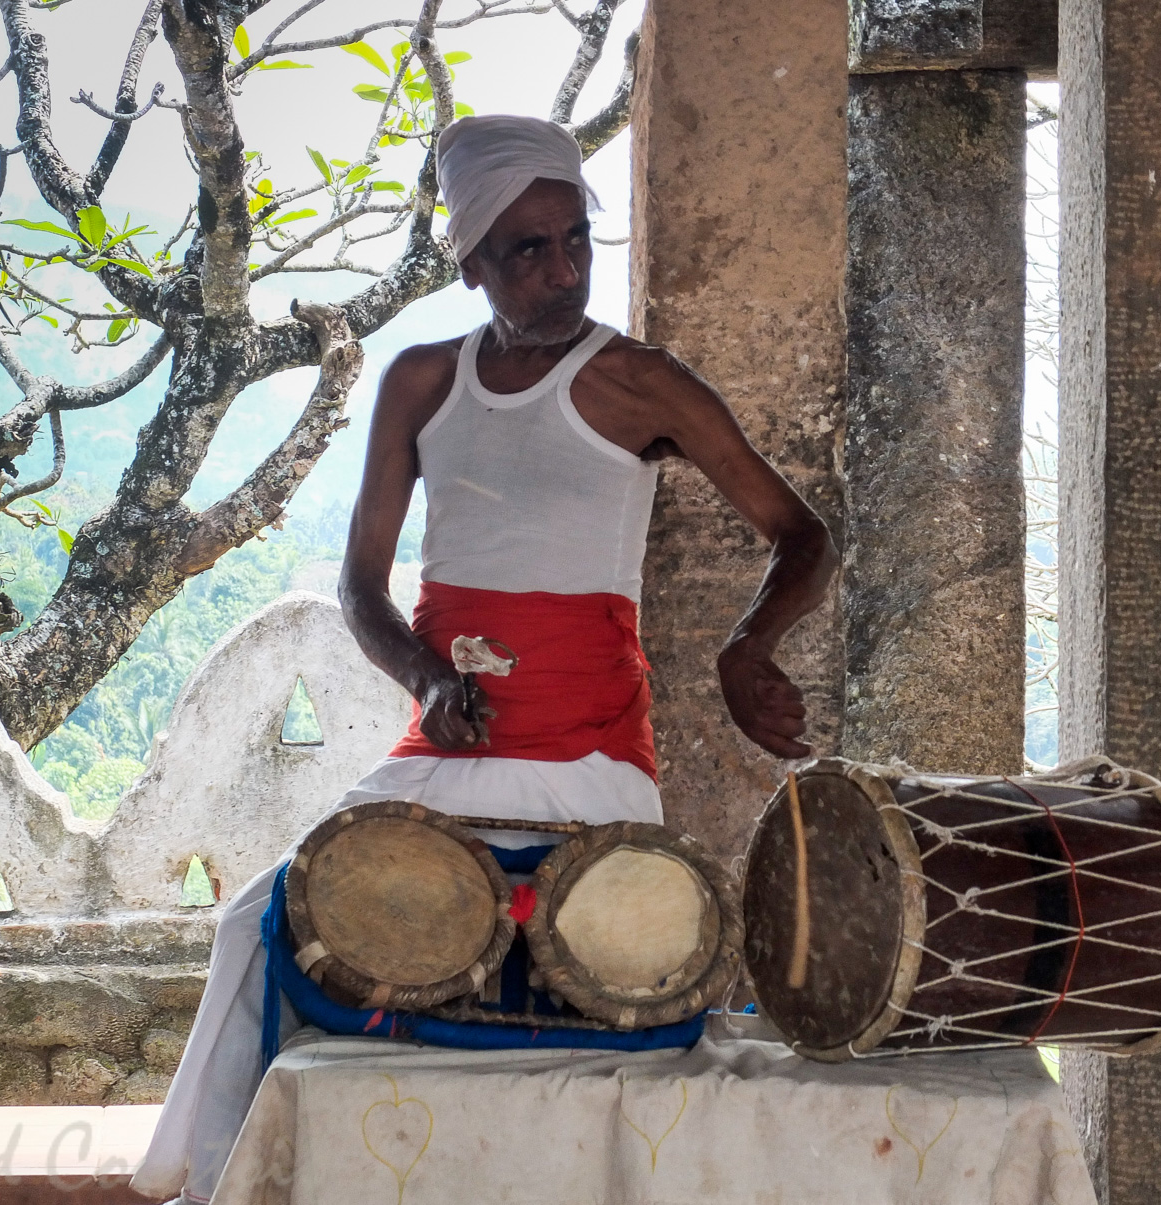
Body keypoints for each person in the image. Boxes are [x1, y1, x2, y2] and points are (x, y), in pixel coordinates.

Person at [130, 114, 836, 1204]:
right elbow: (362, 590)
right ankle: (221, 1185)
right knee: (262, 921)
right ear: (470, 265)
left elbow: (802, 534)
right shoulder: (420, 382)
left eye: (573, 243)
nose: (560, 272)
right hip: (443, 752)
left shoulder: (642, 383)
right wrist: (425, 679)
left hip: (588, 755)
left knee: (578, 955)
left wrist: (749, 648)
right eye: (526, 251)